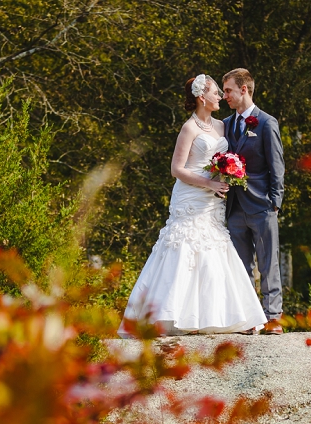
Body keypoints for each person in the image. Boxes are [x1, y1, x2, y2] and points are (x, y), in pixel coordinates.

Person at [118, 74, 267, 338]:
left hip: (213, 200)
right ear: (202, 97)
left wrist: (228, 174)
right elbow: (176, 169)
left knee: (214, 248)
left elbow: (228, 157)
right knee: (183, 246)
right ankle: (173, 315)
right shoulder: (189, 129)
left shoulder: (223, 126)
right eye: (215, 92)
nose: (220, 96)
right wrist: (208, 184)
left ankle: (218, 315)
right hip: (191, 196)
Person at [222, 68, 285, 335]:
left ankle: (273, 317)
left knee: (268, 261)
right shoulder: (225, 124)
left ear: (243, 90)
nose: (225, 96)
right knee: (241, 264)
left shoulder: (266, 123)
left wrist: (275, 201)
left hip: (261, 204)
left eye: (228, 91)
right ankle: (249, 318)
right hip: (234, 206)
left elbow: (276, 165)